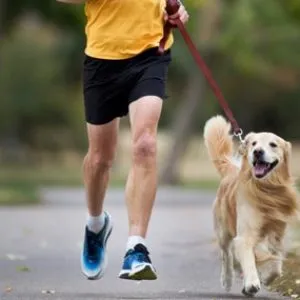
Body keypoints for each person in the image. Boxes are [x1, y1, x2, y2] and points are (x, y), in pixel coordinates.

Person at [56, 0, 189, 281]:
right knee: (99, 159)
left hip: (151, 52)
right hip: (102, 57)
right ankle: (95, 225)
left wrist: (177, 6)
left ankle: (136, 247)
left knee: (145, 145)